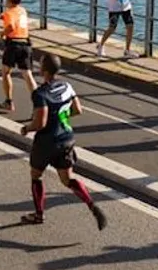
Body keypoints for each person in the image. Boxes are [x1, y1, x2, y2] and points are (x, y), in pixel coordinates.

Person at [21, 52, 107, 228]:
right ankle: (91, 204)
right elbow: (77, 109)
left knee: (36, 175)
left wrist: (26, 128)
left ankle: (38, 214)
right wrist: (62, 116)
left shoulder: (40, 94)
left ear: (43, 69)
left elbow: (40, 122)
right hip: (66, 138)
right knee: (67, 179)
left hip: (46, 141)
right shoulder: (66, 86)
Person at [0, 0, 35, 114]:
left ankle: (9, 101)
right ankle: (38, 105)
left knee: (6, 72)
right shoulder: (23, 11)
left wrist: (2, 33)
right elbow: (17, 19)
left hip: (13, 44)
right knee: (28, 75)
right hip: (25, 44)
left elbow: (11, 26)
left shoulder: (9, 12)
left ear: (9, 0)